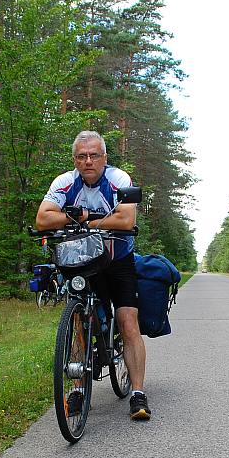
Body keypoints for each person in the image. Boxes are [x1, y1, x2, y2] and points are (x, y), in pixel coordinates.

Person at [35, 130, 151, 421]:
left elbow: (126, 219)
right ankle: (77, 389)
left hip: (118, 259)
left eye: (94, 155)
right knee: (80, 325)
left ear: (104, 157)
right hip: (82, 261)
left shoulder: (119, 179)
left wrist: (86, 219)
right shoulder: (64, 182)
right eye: (82, 156)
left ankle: (137, 392)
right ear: (74, 159)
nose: (88, 161)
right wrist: (84, 218)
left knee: (127, 321)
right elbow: (42, 218)